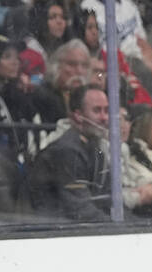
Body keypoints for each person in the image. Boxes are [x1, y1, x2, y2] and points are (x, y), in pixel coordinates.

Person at [26, 84, 111, 221]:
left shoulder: (95, 148)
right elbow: (80, 210)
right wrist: (120, 226)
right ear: (78, 116)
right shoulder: (66, 151)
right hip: (56, 227)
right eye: (97, 111)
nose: (104, 117)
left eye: (106, 111)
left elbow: (108, 199)